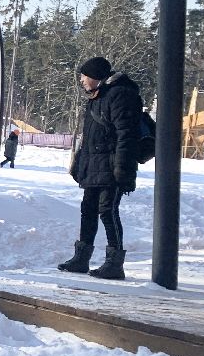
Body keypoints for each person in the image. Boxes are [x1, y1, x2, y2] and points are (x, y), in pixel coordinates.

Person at [58, 56, 142, 280]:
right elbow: (91, 138)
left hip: (112, 167)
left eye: (84, 76)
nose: (82, 80)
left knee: (107, 212)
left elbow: (126, 136)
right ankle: (81, 258)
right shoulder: (97, 97)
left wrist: (123, 170)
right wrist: (80, 166)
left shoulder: (119, 95)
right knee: (88, 210)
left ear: (96, 77)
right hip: (95, 166)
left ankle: (115, 264)